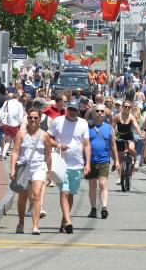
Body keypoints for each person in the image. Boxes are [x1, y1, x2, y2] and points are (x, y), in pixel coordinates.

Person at [49, 97, 91, 233]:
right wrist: (58, 145)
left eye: (75, 110)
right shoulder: (58, 121)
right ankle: (68, 221)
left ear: (79, 110)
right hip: (61, 163)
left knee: (71, 194)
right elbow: (48, 138)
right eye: (70, 109)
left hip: (77, 164)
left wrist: (87, 163)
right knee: (64, 192)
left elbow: (86, 145)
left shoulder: (83, 123)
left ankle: (63, 221)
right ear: (67, 109)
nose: (72, 112)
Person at [11, 106, 52, 235]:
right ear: (27, 119)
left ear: (40, 119)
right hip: (23, 167)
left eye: (35, 118)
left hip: (38, 167)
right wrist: (12, 168)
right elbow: (16, 152)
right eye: (30, 117)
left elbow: (48, 154)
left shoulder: (44, 136)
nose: (33, 120)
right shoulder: (21, 133)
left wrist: (49, 172)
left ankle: (35, 226)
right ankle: (21, 222)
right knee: (22, 196)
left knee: (35, 195)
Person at [86, 102, 118, 219]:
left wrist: (117, 160)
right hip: (90, 160)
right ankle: (93, 209)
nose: (99, 113)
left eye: (102, 111)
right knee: (92, 186)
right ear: (93, 113)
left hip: (104, 160)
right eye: (97, 111)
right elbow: (84, 144)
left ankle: (104, 207)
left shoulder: (109, 128)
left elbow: (113, 145)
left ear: (105, 114)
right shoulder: (87, 127)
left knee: (103, 183)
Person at [0, 88, 25, 160]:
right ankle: (17, 156)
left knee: (8, 141)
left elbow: (2, 111)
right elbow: (20, 117)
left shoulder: (6, 102)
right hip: (15, 125)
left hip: (6, 124)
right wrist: (20, 124)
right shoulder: (19, 104)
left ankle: (3, 154)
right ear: (18, 97)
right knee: (16, 142)